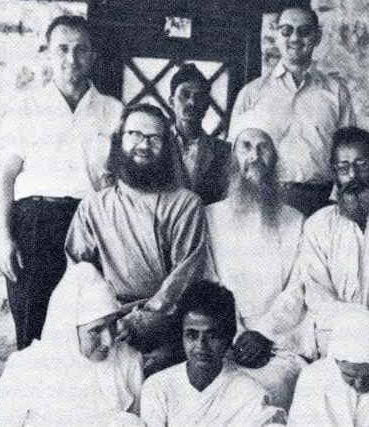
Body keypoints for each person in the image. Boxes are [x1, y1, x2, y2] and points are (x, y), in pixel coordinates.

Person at [0, 15, 123, 350]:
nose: (72, 59)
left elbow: (116, 181)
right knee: (33, 331)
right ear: (49, 54)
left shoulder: (113, 111)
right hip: (34, 226)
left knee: (86, 325)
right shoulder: (25, 106)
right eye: (63, 49)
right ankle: (29, 403)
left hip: (89, 226)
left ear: (93, 55)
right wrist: (4, 239)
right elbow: (6, 176)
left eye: (81, 50)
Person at [245, 126, 369, 362]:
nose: (353, 176)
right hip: (332, 348)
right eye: (344, 168)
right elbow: (318, 296)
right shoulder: (318, 226)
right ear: (335, 175)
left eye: (362, 164)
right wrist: (366, 319)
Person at [65, 103, 207, 374]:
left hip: (165, 324)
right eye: (135, 135)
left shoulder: (185, 204)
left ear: (167, 146)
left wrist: (141, 321)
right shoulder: (93, 206)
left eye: (154, 138)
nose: (144, 145)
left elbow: (185, 277)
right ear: (120, 139)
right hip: (106, 321)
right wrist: (104, 320)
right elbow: (79, 276)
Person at [205, 125, 307, 410]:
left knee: (259, 394)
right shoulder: (209, 216)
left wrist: (262, 333)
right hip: (222, 342)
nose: (255, 155)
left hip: (279, 345)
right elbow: (209, 282)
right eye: (246, 146)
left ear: (274, 158)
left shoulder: (295, 220)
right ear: (233, 156)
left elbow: (298, 286)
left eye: (264, 147)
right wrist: (237, 336)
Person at [229, 6, 355, 217]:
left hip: (321, 202)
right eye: (287, 30)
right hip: (266, 201)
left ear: (317, 37)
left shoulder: (336, 92)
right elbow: (235, 156)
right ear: (276, 35)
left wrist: (334, 201)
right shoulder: (251, 93)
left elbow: (348, 153)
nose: (295, 38)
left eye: (304, 31)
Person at [0, 262, 144, 427]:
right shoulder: (25, 366)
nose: (109, 341)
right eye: (96, 330)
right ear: (68, 329)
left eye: (113, 325)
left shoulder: (128, 361)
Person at [141, 280, 285, 427]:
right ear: (181, 336)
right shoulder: (158, 386)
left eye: (212, 336)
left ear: (228, 338)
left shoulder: (248, 392)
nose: (201, 346)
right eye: (192, 335)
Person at [168, 64, 232, 205]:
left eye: (200, 97)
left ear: (207, 105)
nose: (192, 102)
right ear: (171, 102)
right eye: (185, 95)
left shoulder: (224, 152)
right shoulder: (158, 145)